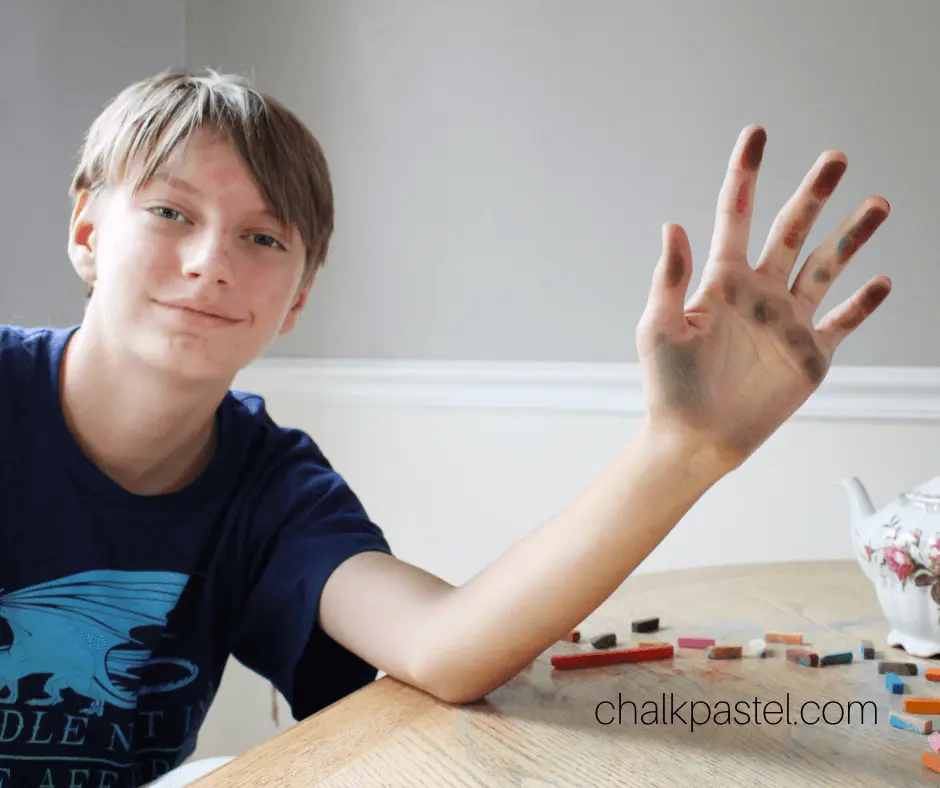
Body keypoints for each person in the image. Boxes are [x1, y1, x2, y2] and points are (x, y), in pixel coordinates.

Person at [0, 67, 891, 788]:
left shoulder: (270, 490)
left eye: (263, 239)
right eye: (170, 213)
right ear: (86, 231)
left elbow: (446, 646)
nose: (209, 265)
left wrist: (685, 447)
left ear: (299, 298)